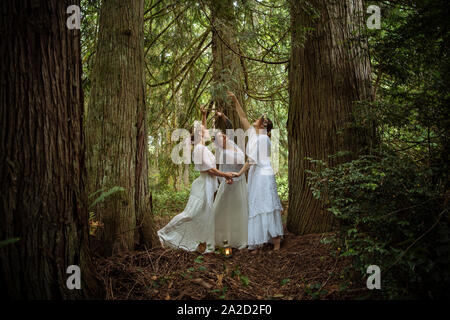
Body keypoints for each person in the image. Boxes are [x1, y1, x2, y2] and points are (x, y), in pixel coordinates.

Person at [157, 107, 234, 253]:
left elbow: (202, 129)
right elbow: (209, 170)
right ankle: (162, 233)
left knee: (206, 214)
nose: (206, 132)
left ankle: (206, 241)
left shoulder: (201, 146)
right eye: (203, 132)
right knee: (190, 213)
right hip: (203, 186)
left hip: (209, 184)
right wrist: (225, 175)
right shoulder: (199, 149)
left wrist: (204, 115)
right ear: (199, 136)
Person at [227, 91, 284, 252]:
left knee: (266, 205)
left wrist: (239, 174)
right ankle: (260, 239)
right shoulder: (254, 134)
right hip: (256, 175)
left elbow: (252, 160)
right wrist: (236, 100)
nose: (254, 119)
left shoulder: (263, 139)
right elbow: (243, 118)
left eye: (258, 119)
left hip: (263, 175)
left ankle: (276, 242)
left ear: (263, 125)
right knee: (256, 205)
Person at [212, 111, 248, 250]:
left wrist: (222, 116)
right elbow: (221, 170)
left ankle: (240, 237)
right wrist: (225, 180)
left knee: (239, 211)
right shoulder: (221, 152)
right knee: (225, 212)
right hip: (229, 184)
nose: (224, 137)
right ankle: (224, 239)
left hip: (240, 183)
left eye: (223, 135)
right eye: (221, 137)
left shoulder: (232, 142)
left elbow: (230, 125)